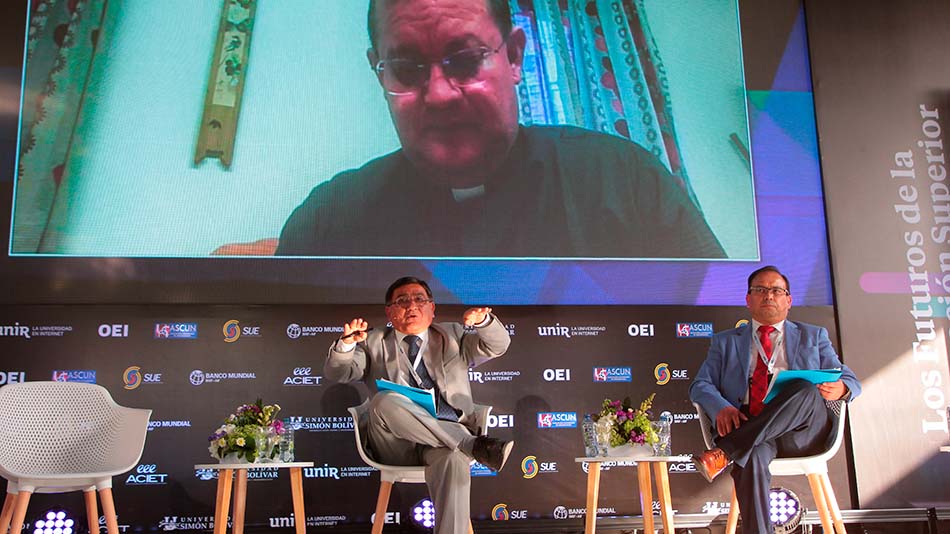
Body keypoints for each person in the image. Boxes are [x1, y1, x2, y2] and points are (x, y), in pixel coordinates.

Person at [276, 0, 726, 259]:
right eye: (406, 68)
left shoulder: (626, 179)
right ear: (380, 74)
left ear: (513, 57)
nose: (440, 94)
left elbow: (723, 327)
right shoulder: (329, 217)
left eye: (466, 59)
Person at [325, 276, 513, 534]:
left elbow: (498, 345)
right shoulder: (372, 341)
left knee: (454, 460)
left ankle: (462, 447)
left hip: (443, 443)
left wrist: (482, 322)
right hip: (395, 443)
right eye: (402, 301)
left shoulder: (454, 335)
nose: (411, 305)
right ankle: (472, 445)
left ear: (432, 308)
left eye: (419, 299)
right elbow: (339, 373)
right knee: (384, 400)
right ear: (389, 312)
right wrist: (346, 345)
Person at [689, 265, 861, 534]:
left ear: (788, 301)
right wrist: (721, 406)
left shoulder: (814, 336)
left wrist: (841, 388)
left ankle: (726, 451)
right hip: (751, 425)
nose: (768, 295)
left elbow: (851, 380)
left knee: (803, 388)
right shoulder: (725, 342)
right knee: (752, 455)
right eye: (760, 290)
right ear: (748, 300)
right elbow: (700, 385)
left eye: (776, 290)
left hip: (801, 430)